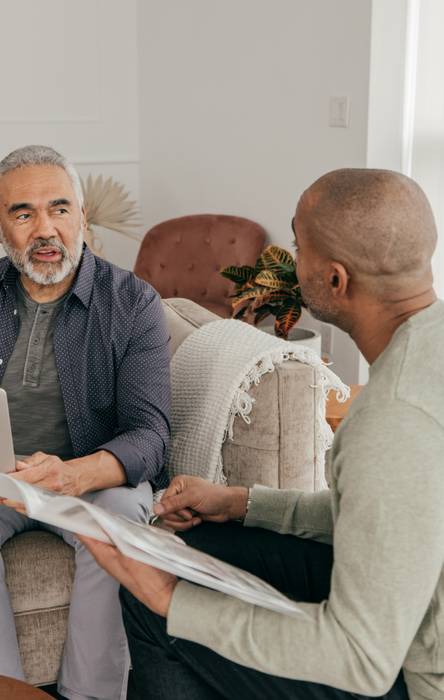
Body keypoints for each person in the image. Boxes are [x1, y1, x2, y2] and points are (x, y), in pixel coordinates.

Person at [81, 168, 444, 700]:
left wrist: (171, 601)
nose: (293, 260)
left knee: (159, 600)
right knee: (189, 551)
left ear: (336, 279)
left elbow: (360, 658)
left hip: (413, 672)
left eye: (300, 247)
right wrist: (241, 503)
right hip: (407, 604)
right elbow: (381, 520)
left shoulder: (390, 418)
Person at [0, 145, 171, 700]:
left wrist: (76, 475)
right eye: (23, 213)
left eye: (60, 209)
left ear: (83, 219)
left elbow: (151, 435)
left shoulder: (134, 303)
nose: (45, 229)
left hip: (88, 484)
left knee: (119, 519)